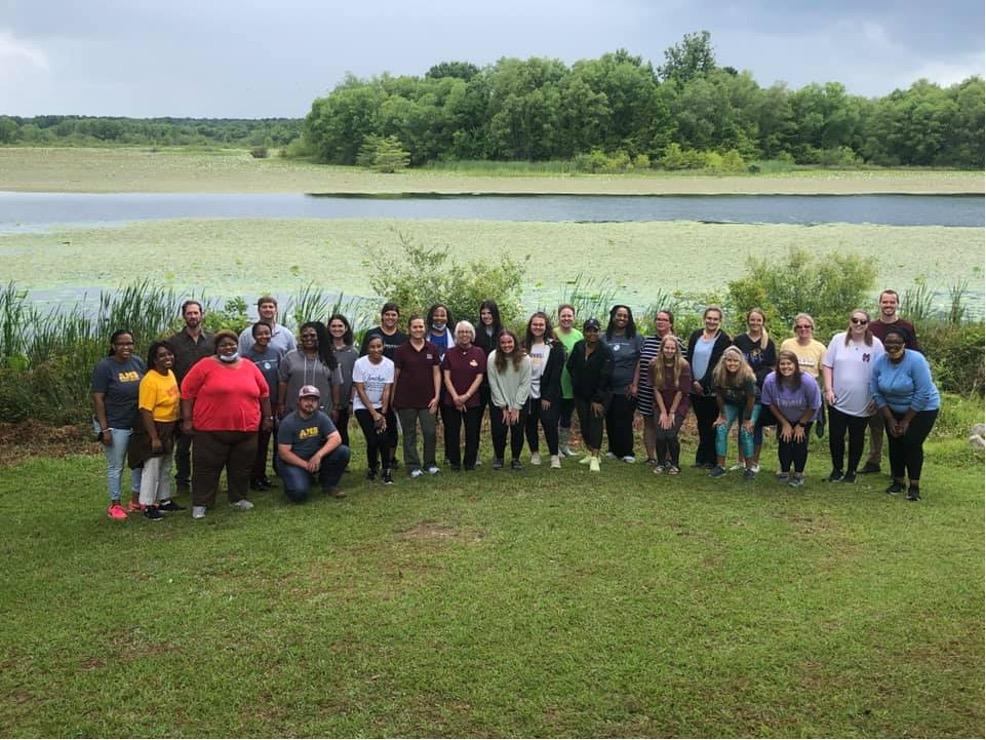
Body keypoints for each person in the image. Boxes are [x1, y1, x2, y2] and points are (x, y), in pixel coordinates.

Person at [180, 331, 273, 519]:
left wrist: (268, 418)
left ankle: (238, 498)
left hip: (247, 429)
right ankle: (201, 503)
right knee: (206, 467)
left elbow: (264, 393)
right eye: (223, 345)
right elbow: (187, 393)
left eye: (232, 344)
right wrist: (187, 419)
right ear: (216, 347)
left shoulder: (249, 366)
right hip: (210, 430)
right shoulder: (205, 366)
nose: (228, 348)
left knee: (242, 467)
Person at [870, 329, 940, 501]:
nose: (892, 346)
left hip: (922, 408)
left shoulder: (916, 360)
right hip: (892, 409)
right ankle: (898, 481)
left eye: (896, 342)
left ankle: (914, 486)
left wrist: (907, 420)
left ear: (904, 344)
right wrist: (891, 418)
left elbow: (923, 392)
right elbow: (875, 391)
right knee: (894, 442)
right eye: (888, 342)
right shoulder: (880, 361)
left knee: (911, 442)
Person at [862, 289, 921, 475]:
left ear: (897, 304)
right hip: (878, 380)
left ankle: (900, 467)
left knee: (898, 426)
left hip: (901, 385)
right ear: (879, 304)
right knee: (876, 425)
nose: (888, 305)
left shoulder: (906, 326)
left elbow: (915, 355)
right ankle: (874, 461)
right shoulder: (871, 327)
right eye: (885, 302)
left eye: (892, 302)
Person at [821, 310, 885, 484]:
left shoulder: (876, 344)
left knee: (857, 438)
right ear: (849, 321)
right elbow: (827, 365)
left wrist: (876, 398)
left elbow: (881, 372)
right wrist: (828, 389)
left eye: (863, 322)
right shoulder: (838, 340)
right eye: (855, 320)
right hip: (837, 400)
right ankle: (836, 469)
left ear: (867, 324)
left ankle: (851, 472)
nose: (858, 324)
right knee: (836, 436)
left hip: (863, 402)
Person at [91, 330, 145, 520]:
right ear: (113, 346)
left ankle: (136, 500)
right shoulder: (105, 367)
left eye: (129, 343)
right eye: (121, 344)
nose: (126, 347)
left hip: (136, 424)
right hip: (116, 425)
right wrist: (104, 429)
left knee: (138, 463)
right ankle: (115, 504)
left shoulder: (137, 362)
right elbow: (98, 399)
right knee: (116, 466)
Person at [166, 300, 213, 497]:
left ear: (202, 314)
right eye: (189, 313)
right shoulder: (173, 342)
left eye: (196, 313)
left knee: (207, 444)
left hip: (208, 400)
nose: (193, 316)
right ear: (183, 316)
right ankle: (182, 481)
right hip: (183, 400)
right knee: (183, 445)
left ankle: (206, 479)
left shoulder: (212, 340)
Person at [130, 341, 181, 520]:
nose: (167, 358)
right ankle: (147, 504)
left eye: (169, 354)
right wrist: (154, 437)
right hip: (155, 426)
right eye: (162, 356)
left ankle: (164, 499)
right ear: (154, 359)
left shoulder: (170, 374)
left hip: (170, 425)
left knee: (166, 465)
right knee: (152, 467)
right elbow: (145, 410)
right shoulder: (149, 380)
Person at [277, 386, 350, 501]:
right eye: (306, 399)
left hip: (313, 457)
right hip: (293, 461)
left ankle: (329, 484)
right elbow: (284, 453)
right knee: (299, 494)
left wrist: (318, 456)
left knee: (343, 451)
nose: (310, 403)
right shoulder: (288, 423)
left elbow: (336, 438)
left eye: (314, 400)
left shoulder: (321, 417)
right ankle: (296, 482)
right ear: (299, 401)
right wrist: (306, 465)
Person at [761, 350, 822, 487]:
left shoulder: (807, 381)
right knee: (785, 440)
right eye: (782, 364)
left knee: (800, 441)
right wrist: (784, 423)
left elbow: (814, 405)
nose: (786, 367)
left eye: (789, 363)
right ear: (778, 366)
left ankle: (799, 474)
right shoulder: (770, 380)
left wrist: (801, 425)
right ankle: (785, 471)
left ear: (795, 365)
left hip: (805, 415)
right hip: (783, 415)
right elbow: (769, 403)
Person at [393, 315, 442, 478]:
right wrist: (392, 398)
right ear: (409, 329)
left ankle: (430, 463)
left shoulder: (432, 348)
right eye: (415, 327)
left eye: (421, 327)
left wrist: (437, 396)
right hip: (406, 400)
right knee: (410, 433)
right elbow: (396, 375)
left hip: (428, 399)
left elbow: (436, 373)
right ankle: (413, 466)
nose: (418, 330)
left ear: (425, 328)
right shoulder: (401, 350)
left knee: (430, 432)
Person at [633, 309, 683, 467]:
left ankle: (667, 458)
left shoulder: (678, 343)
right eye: (658, 319)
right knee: (648, 423)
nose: (660, 322)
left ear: (671, 323)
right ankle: (651, 457)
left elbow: (683, 369)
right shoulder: (647, 341)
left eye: (664, 319)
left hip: (669, 393)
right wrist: (635, 383)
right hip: (647, 389)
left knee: (667, 424)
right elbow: (640, 363)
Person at [686, 306, 732, 469]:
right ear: (704, 318)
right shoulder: (696, 335)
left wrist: (703, 382)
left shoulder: (723, 339)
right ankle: (700, 458)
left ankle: (711, 460)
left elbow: (717, 364)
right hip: (694, 388)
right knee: (701, 423)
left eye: (715, 319)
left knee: (712, 424)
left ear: (720, 321)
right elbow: (689, 358)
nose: (711, 321)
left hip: (713, 388)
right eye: (709, 318)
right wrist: (692, 381)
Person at [566, 318, 613, 473]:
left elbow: (606, 376)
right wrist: (576, 382)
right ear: (584, 332)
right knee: (584, 424)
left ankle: (595, 457)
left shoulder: (605, 351)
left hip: (599, 396)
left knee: (595, 424)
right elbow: (570, 365)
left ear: (599, 332)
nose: (592, 333)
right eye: (588, 330)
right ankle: (589, 451)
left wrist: (598, 399)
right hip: (581, 394)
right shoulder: (579, 346)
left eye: (595, 330)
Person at [732, 308, 777, 472]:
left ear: (763, 322)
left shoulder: (768, 343)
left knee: (755, 425)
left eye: (758, 320)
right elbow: (731, 361)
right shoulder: (739, 340)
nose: (755, 323)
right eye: (752, 319)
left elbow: (772, 366)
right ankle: (741, 460)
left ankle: (755, 462)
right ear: (748, 321)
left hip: (759, 388)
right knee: (741, 423)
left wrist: (755, 377)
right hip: (741, 387)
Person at [440, 320, 486, 471]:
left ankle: (470, 462)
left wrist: (466, 396)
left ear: (472, 335)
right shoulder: (449, 353)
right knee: (452, 431)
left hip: (472, 400)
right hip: (451, 400)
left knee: (472, 431)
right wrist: (456, 397)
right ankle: (454, 462)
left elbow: (479, 377)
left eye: (467, 332)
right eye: (461, 332)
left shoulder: (479, 353)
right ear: (456, 335)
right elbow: (446, 377)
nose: (464, 335)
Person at [522, 312, 565, 469]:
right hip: (527, 392)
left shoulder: (555, 347)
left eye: (541, 325)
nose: (538, 327)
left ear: (546, 326)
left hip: (548, 392)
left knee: (549, 423)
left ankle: (554, 455)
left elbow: (556, 374)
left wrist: (547, 396)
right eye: (535, 324)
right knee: (530, 423)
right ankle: (535, 453)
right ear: (530, 326)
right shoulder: (524, 345)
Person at [352, 335, 397, 484]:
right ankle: (372, 467)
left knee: (384, 439)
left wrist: (382, 413)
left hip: (380, 406)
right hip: (363, 406)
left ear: (383, 347)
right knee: (372, 440)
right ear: (367, 348)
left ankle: (386, 470)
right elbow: (360, 389)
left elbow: (386, 389)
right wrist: (373, 413)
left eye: (379, 346)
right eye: (372, 347)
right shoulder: (360, 363)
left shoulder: (389, 364)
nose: (376, 349)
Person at [709, 346, 759, 479]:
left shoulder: (747, 375)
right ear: (724, 361)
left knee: (745, 431)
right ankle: (720, 467)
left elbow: (751, 398)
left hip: (751, 404)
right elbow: (719, 396)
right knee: (721, 428)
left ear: (741, 362)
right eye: (729, 360)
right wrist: (722, 415)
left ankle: (749, 469)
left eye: (736, 361)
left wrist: (747, 419)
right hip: (731, 403)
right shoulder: (718, 374)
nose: (732, 363)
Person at [277, 321, 342, 420]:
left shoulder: (329, 358)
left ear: (319, 336)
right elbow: (283, 382)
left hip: (322, 410)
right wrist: (281, 404)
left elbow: (335, 384)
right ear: (300, 338)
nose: (308, 338)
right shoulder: (290, 357)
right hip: (294, 410)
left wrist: (335, 407)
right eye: (305, 336)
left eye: (312, 335)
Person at [487, 329, 532, 470]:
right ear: (499, 344)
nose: (506, 345)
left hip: (520, 402)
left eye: (509, 342)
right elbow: (493, 383)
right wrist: (503, 406)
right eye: (503, 343)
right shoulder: (492, 357)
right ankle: (499, 457)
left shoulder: (525, 359)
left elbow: (525, 383)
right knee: (499, 431)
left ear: (515, 342)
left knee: (517, 431)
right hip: (499, 402)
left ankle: (515, 459)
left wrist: (516, 407)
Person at [603, 305, 644, 463]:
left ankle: (627, 452)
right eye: (618, 315)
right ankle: (613, 450)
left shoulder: (636, 338)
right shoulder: (604, 337)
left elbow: (640, 362)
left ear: (629, 318)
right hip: (608, 387)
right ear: (613, 316)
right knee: (610, 418)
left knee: (624, 419)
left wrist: (635, 384)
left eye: (625, 316)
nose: (621, 318)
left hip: (626, 386)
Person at [243, 321, 281, 491]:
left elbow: (281, 379)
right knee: (255, 443)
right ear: (254, 336)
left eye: (267, 333)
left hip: (272, 403)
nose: (264, 336)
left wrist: (280, 402)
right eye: (260, 333)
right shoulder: (247, 357)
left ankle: (262, 475)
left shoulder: (275, 353)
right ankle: (252, 477)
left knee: (267, 441)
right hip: (255, 406)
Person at [779, 313, 828, 436]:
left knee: (802, 433)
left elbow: (824, 372)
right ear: (795, 329)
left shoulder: (820, 348)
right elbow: (780, 366)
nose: (803, 329)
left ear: (812, 328)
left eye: (807, 326)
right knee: (785, 433)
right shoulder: (787, 344)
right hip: (787, 392)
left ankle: (801, 452)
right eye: (799, 326)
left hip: (808, 394)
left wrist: (826, 390)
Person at [649, 334, 692, 475]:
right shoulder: (654, 364)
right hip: (660, 403)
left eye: (672, 348)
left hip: (678, 404)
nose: (669, 350)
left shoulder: (683, 365)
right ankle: (660, 463)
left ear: (676, 350)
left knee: (671, 434)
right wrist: (663, 412)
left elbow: (681, 391)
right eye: (666, 347)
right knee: (660, 434)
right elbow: (655, 389)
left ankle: (675, 464)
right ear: (662, 348)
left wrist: (672, 412)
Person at [473, 299, 504, 456]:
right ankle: (475, 452)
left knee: (498, 420)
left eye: (489, 313)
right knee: (475, 420)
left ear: (495, 314)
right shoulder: (476, 332)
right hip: (479, 382)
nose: (486, 316)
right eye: (483, 313)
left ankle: (498, 455)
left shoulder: (502, 332)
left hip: (498, 383)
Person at [555, 304, 583, 457]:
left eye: (569, 315)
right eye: (563, 315)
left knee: (567, 416)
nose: (566, 318)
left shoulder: (579, 335)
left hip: (571, 383)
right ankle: (555, 448)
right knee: (554, 417)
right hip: (555, 382)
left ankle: (564, 446)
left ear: (574, 317)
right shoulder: (552, 333)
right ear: (559, 317)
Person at [327, 313, 358, 448]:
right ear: (328, 328)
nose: (337, 329)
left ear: (346, 328)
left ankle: (343, 461)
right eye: (333, 326)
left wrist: (352, 401)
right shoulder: (324, 351)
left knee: (342, 430)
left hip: (345, 400)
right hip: (326, 400)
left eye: (340, 326)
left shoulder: (353, 352)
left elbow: (356, 380)